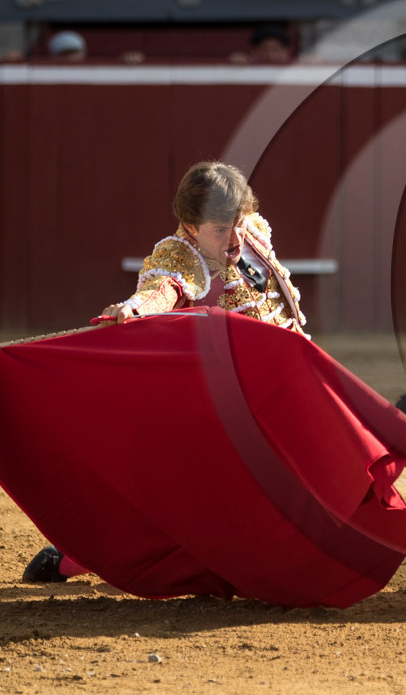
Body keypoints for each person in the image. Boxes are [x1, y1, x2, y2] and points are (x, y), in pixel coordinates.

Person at [22, 160, 308, 583]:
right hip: (227, 401)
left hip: (285, 381)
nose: (234, 239)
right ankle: (81, 557)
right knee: (189, 497)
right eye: (219, 229)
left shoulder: (254, 231)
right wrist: (134, 308)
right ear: (191, 226)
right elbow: (164, 288)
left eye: (238, 224)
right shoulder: (180, 254)